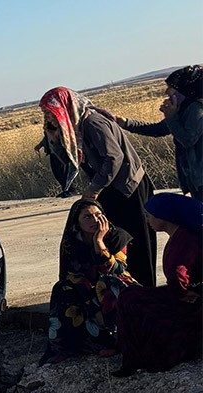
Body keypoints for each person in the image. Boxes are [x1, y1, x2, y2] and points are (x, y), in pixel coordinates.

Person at [40, 87, 158, 287]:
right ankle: (122, 288)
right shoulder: (74, 129)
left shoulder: (93, 123)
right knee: (113, 240)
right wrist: (54, 140)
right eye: (45, 114)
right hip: (110, 189)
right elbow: (69, 160)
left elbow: (114, 158)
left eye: (51, 112)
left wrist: (94, 188)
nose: (48, 117)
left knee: (137, 242)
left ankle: (145, 291)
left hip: (129, 189)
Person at [113, 193, 203, 376]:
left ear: (164, 216)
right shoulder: (182, 235)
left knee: (131, 299)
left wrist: (181, 293)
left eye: (149, 215)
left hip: (192, 302)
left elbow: (178, 273)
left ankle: (145, 356)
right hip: (189, 294)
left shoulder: (184, 239)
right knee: (129, 296)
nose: (147, 220)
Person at [41, 198, 139, 363]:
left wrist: (99, 243)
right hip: (85, 290)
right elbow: (72, 276)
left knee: (107, 283)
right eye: (87, 217)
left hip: (115, 288)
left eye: (98, 215)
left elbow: (116, 270)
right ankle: (65, 346)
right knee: (62, 288)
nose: (95, 220)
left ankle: (118, 341)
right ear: (77, 223)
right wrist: (92, 307)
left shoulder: (117, 236)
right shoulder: (72, 243)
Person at [100, 65, 203, 199]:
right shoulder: (183, 110)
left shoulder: (196, 109)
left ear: (184, 90)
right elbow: (157, 129)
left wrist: (171, 117)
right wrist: (125, 122)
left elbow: (188, 139)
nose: (167, 92)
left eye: (172, 88)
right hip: (196, 181)